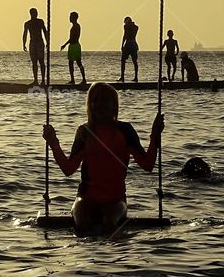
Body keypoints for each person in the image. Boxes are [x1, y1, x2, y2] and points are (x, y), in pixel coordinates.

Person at [43, 82, 165, 232]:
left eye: (106, 100)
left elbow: (148, 164)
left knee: (109, 222)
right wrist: (53, 143)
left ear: (114, 105)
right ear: (90, 105)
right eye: (96, 100)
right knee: (82, 223)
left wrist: (155, 135)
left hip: (116, 200)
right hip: (86, 198)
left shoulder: (125, 130)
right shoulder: (84, 132)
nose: (101, 105)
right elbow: (68, 169)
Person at [60, 11, 87, 85]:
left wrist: (64, 44)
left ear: (74, 18)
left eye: (71, 17)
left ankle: (83, 79)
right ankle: (73, 79)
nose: (69, 18)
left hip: (75, 46)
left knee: (78, 62)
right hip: (73, 46)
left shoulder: (76, 26)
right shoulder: (75, 26)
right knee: (71, 63)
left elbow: (72, 38)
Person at [22, 7, 48, 85]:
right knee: (34, 62)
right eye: (34, 13)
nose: (36, 14)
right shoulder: (28, 23)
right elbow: (25, 34)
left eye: (36, 13)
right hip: (33, 42)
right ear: (31, 14)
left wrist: (47, 42)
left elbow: (44, 31)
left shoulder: (40, 22)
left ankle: (43, 80)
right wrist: (24, 44)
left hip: (39, 42)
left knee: (41, 61)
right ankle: (36, 80)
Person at [119, 17, 139, 83]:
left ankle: (135, 77)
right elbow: (125, 35)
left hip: (131, 43)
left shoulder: (133, 27)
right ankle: (122, 76)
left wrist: (122, 45)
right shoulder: (134, 27)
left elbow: (125, 35)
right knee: (124, 60)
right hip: (131, 43)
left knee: (134, 61)